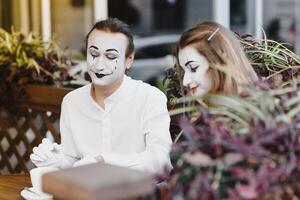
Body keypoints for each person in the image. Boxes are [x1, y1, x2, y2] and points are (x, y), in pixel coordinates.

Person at [30, 18, 172, 174]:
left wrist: (104, 161)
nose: (98, 64)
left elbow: (160, 162)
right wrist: (56, 161)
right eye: (93, 54)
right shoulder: (72, 101)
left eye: (110, 57)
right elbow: (73, 160)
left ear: (129, 60)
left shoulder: (150, 98)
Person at [177, 21, 258, 97]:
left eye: (193, 68)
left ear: (220, 62)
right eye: (183, 71)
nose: (185, 82)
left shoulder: (254, 110)